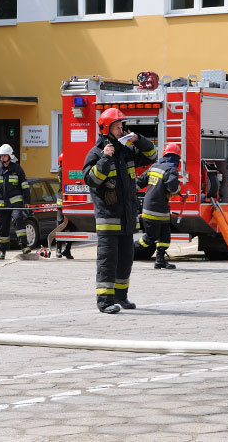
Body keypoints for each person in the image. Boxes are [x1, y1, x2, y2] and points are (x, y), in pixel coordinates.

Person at [83, 108, 157, 314]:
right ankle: (104, 301)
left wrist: (138, 139)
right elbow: (92, 180)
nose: (120, 129)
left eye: (121, 126)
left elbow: (152, 155)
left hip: (127, 218)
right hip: (108, 219)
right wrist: (105, 159)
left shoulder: (127, 151)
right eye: (117, 127)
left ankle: (121, 296)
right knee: (108, 261)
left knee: (126, 259)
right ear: (106, 129)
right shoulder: (96, 153)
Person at [136, 143, 181, 270]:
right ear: (177, 157)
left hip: (155, 209)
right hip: (157, 210)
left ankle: (160, 261)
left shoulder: (154, 167)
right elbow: (172, 188)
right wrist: (178, 188)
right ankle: (127, 252)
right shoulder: (171, 169)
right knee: (150, 239)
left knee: (164, 237)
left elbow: (139, 183)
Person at [0, 143, 31, 260]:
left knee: (18, 219)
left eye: (4, 156)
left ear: (10, 156)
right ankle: (2, 251)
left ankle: (24, 246)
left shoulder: (17, 169)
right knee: (3, 227)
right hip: (1, 203)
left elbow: (25, 185)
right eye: (1, 156)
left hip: (15, 201)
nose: (2, 158)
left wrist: (26, 200)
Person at [55, 152, 75, 259]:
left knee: (71, 226)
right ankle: (58, 250)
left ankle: (67, 250)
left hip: (68, 202)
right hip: (62, 203)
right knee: (60, 226)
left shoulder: (63, 169)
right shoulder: (61, 170)